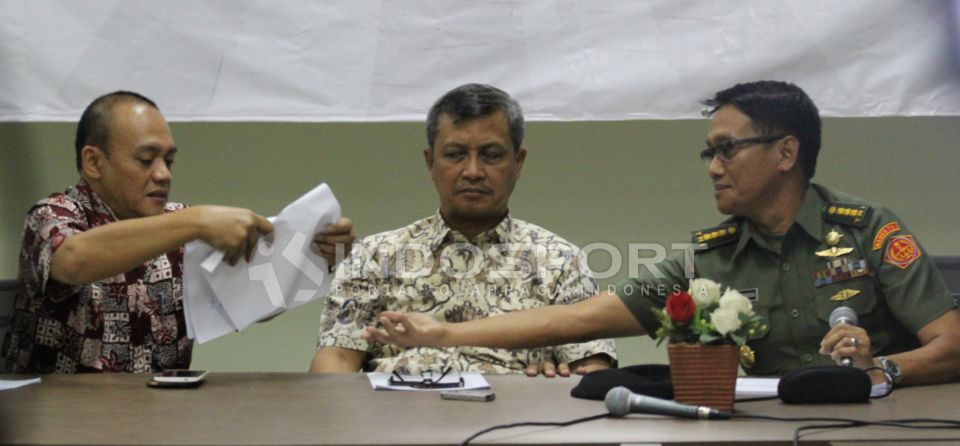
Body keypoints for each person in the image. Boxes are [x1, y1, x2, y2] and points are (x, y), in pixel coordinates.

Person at [364, 80, 960, 387]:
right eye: (708, 151)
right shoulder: (707, 263)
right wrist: (445, 334)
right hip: (774, 440)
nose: (713, 166)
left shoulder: (868, 231)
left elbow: (950, 345)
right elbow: (577, 320)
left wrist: (885, 368)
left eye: (727, 149)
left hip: (888, 432)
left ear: (786, 153)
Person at [1, 90, 354, 374]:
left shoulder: (181, 223)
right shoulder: (52, 215)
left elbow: (252, 300)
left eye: (168, 161)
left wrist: (316, 256)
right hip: (54, 427)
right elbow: (73, 259)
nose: (163, 174)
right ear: (94, 162)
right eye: (146, 160)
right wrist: (194, 222)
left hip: (160, 418)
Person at [311, 83, 616, 377]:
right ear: (431, 163)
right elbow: (335, 360)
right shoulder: (374, 256)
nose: (472, 171)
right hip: (397, 418)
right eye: (455, 154)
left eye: (491, 155)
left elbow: (591, 369)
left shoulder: (561, 261)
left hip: (518, 421)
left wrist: (562, 385)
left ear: (518, 162)